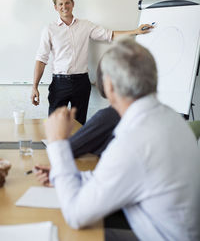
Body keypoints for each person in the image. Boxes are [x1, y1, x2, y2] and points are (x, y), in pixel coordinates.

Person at [42, 37, 200, 240]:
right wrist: (68, 173)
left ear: (109, 86)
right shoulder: (169, 117)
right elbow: (118, 174)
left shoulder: (134, 141)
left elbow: (75, 215)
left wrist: (57, 142)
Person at [31, 0, 153, 124]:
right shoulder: (49, 29)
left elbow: (110, 35)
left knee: (79, 125)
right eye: (60, 4)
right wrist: (35, 86)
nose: (64, 7)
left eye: (67, 3)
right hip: (59, 84)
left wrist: (135, 31)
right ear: (55, 7)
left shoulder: (85, 26)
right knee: (55, 124)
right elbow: (41, 59)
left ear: (72, 4)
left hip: (81, 82)